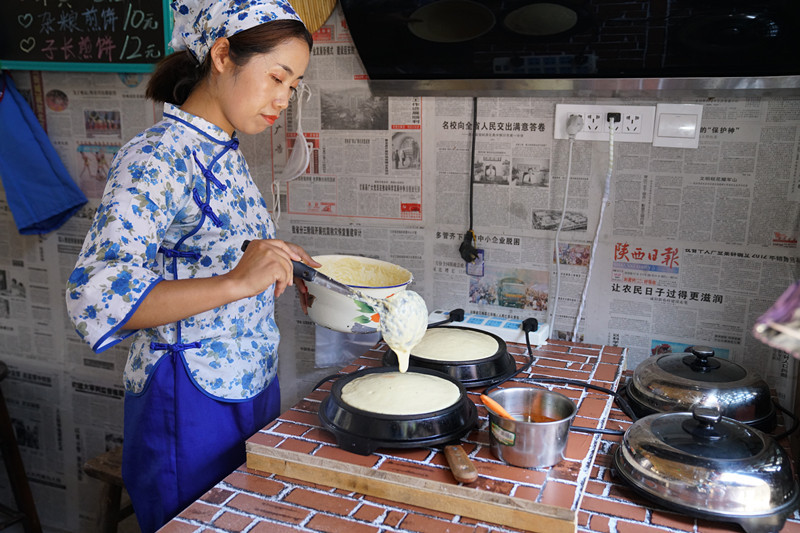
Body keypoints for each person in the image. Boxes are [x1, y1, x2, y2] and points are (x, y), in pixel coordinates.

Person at [64, 1, 316, 531]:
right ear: (222, 56)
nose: (283, 99)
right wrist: (236, 281)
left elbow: (212, 253)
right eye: (277, 77)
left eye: (294, 86)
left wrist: (275, 259)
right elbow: (98, 292)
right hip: (189, 397)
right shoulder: (157, 155)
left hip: (250, 384)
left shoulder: (221, 148)